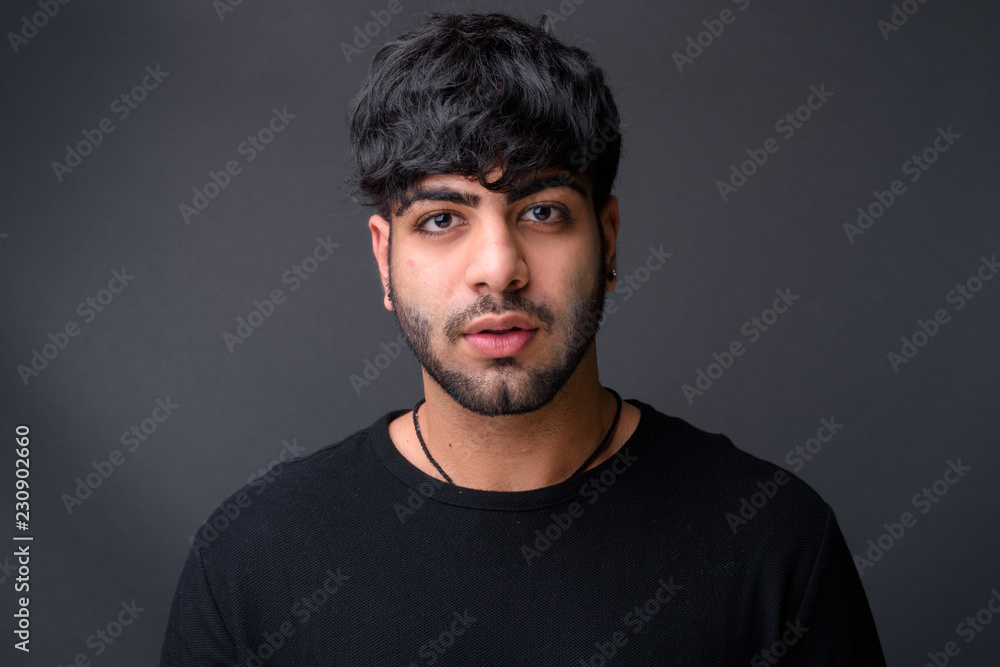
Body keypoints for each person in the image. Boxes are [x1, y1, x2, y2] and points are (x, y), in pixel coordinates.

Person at [161, 11, 886, 665]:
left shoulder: (774, 543)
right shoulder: (252, 562)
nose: (499, 269)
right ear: (384, 259)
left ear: (606, 240)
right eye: (442, 218)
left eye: (541, 212)